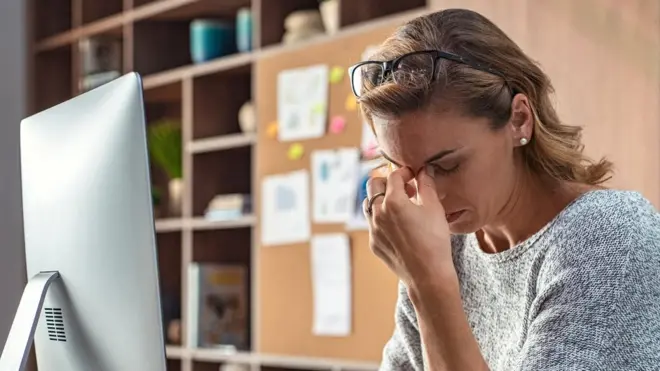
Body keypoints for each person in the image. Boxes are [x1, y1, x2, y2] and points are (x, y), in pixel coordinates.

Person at [349, 8, 660, 371]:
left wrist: (429, 284)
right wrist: (426, 279)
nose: (427, 197)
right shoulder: (445, 246)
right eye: (404, 170)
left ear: (518, 119)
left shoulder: (610, 237)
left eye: (446, 165)